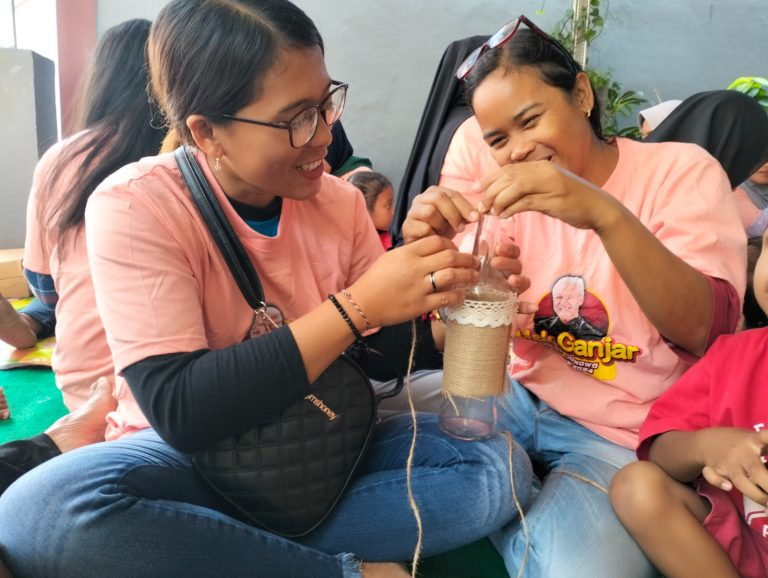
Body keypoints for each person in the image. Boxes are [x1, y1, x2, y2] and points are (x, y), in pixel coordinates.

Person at [0, 2, 532, 577]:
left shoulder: (340, 202)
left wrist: (443, 299)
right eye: (297, 118)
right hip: (187, 459)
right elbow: (182, 411)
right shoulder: (136, 204)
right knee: (39, 511)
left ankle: (190, 547)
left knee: (496, 466)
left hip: (319, 433)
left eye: (328, 102)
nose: (326, 134)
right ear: (207, 132)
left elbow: (377, 361)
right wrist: (356, 306)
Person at [401, 14, 746, 577]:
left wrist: (603, 213)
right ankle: (511, 495)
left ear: (581, 93)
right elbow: (449, 336)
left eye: (530, 119)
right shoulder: (509, 201)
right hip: (511, 395)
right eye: (497, 140)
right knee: (362, 429)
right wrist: (450, 282)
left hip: (621, 436)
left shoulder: (679, 173)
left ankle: (513, 505)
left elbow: (706, 328)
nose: (517, 150)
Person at [21, 17, 166, 411]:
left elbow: (43, 283)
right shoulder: (188, 158)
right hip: (172, 390)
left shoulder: (63, 157)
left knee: (55, 293)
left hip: (86, 386)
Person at [609, 224, 768, 578]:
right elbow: (662, 452)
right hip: (744, 549)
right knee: (637, 486)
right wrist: (709, 446)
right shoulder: (734, 357)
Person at [533, 275, 607, 341]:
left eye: (570, 297)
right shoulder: (539, 327)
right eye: (559, 297)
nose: (564, 302)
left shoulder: (594, 337)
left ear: (580, 300)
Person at [348, 171, 395, 249]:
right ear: (365, 211)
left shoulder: (394, 236)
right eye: (388, 206)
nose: (393, 212)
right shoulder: (380, 249)